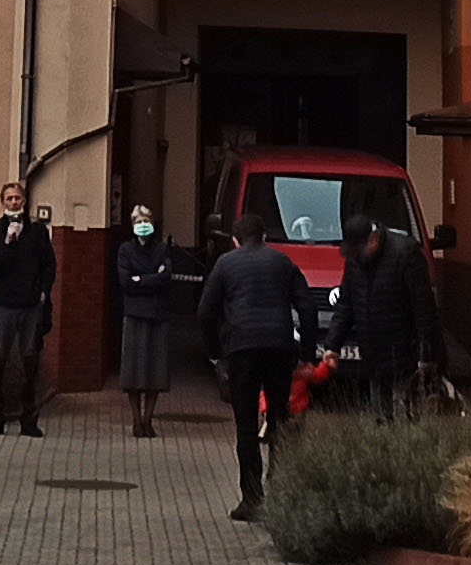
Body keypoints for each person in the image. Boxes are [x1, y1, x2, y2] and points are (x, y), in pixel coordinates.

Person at [198, 218, 317, 523]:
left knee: (246, 425)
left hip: (242, 348)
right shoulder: (283, 262)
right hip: (279, 347)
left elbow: (205, 312)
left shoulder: (225, 264)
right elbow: (307, 307)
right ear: (263, 236)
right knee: (280, 419)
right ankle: (278, 491)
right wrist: (306, 355)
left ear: (235, 240)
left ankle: (251, 499)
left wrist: (215, 355)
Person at [338, 206, 438, 422]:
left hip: (404, 352)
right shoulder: (356, 260)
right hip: (373, 353)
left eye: (358, 251)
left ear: (372, 240)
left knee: (405, 411)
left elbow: (423, 307)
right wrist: (332, 346)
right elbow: (346, 304)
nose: (356, 257)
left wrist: (424, 353)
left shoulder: (406, 253)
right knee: (381, 415)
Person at [0, 178, 57, 436]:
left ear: (24, 201)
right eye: (9, 198)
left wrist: (44, 291)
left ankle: (29, 419)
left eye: (18, 198)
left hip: (31, 306)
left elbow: (49, 265)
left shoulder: (37, 233)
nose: (14, 202)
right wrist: (7, 244)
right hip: (3, 306)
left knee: (31, 364)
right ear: (3, 203)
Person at [110, 202, 188, 439]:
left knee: (156, 372)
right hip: (134, 314)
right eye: (138, 221)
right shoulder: (125, 249)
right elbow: (125, 282)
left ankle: (148, 420)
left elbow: (166, 277)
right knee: (133, 372)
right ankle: (136, 421)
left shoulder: (162, 249)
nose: (142, 225)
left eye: (146, 221)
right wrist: (151, 278)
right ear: (132, 225)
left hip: (158, 315)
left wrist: (140, 279)